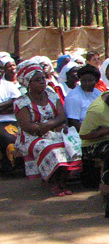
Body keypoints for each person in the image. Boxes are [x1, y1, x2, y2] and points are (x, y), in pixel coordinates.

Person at [13, 61, 81, 196]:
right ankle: (53, 182)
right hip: (31, 136)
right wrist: (46, 127)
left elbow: (61, 117)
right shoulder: (21, 102)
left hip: (52, 131)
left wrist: (47, 126)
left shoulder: (52, 94)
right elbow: (27, 126)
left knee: (70, 145)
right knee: (50, 149)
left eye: (43, 78)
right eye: (37, 80)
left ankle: (62, 181)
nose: (42, 82)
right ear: (28, 83)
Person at [64, 65, 102, 129]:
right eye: (84, 80)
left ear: (96, 81)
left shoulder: (98, 93)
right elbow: (73, 124)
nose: (87, 83)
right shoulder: (73, 97)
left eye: (90, 80)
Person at [0, 57, 21, 172]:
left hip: (13, 119)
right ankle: (10, 168)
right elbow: (12, 102)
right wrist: (8, 104)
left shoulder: (8, 85)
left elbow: (16, 102)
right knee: (8, 138)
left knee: (21, 136)